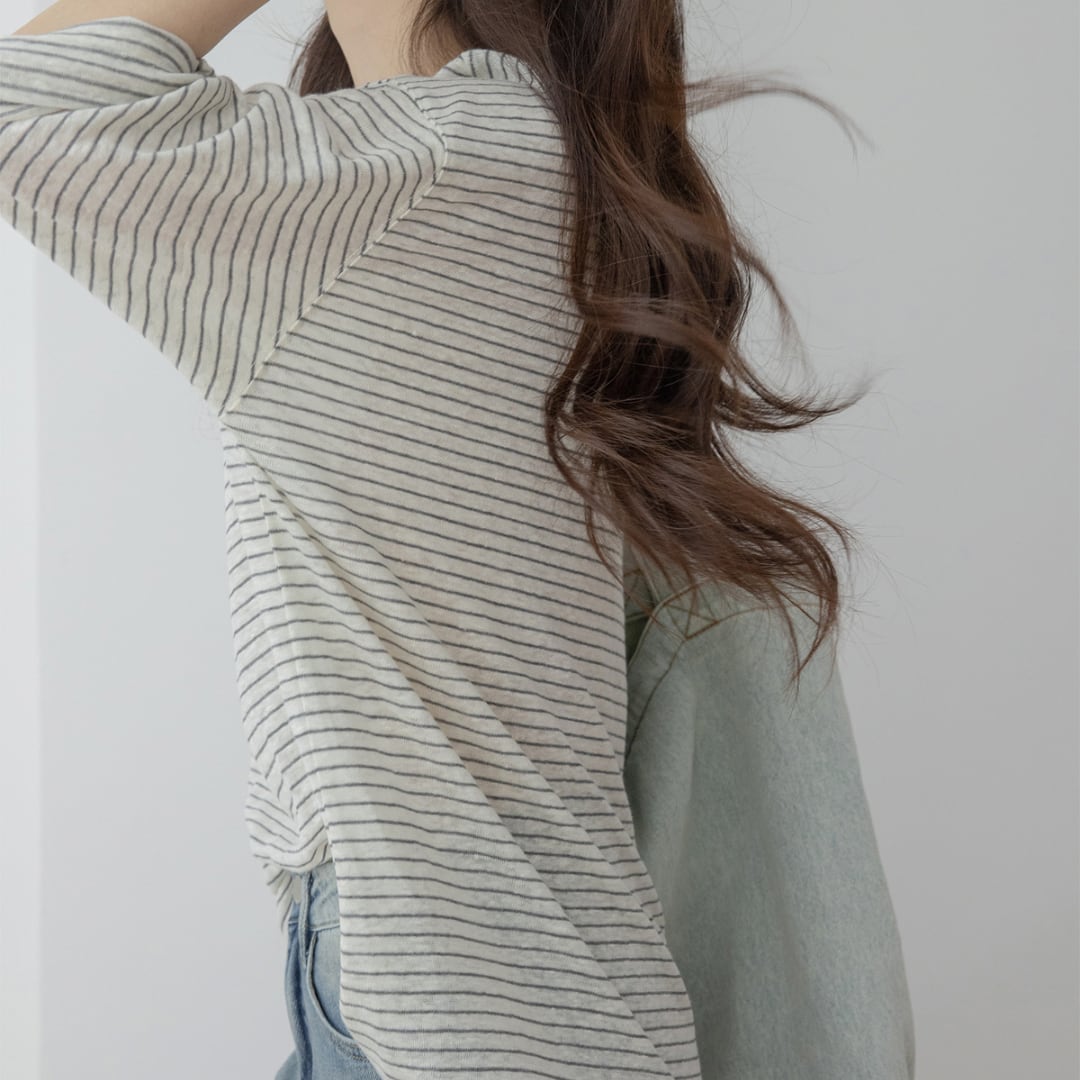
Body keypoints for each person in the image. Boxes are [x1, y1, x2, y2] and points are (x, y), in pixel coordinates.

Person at [0, 3, 914, 1078]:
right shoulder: (547, 173)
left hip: (443, 1006)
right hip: (536, 994)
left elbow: (24, 104)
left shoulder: (413, 179)